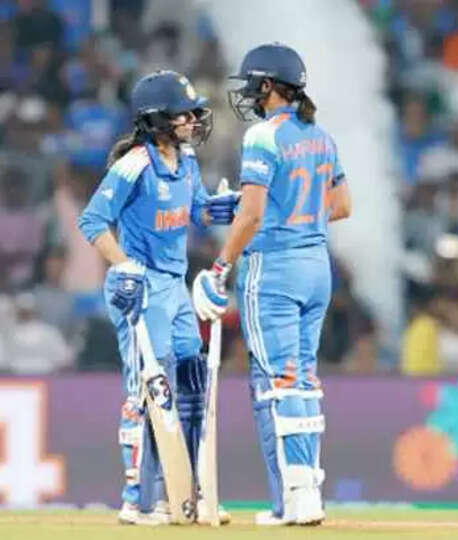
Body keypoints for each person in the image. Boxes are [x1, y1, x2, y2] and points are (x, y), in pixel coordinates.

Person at [191, 42, 351, 526]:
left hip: (274, 268)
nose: (247, 95)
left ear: (268, 86)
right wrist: (279, 204)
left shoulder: (263, 135)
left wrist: (221, 265)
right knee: (300, 375)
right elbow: (341, 205)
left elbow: (255, 215)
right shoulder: (320, 136)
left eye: (251, 85)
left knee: (280, 379)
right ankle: (301, 492)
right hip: (316, 267)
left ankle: (298, 497)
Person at [76, 70, 236, 525]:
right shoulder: (133, 165)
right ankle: (137, 499)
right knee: (149, 389)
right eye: (182, 113)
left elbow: (197, 208)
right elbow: (92, 221)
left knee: (190, 384)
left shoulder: (185, 161)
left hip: (176, 287)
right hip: (139, 286)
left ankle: (182, 492)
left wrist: (221, 208)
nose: (192, 119)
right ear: (157, 118)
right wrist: (124, 266)